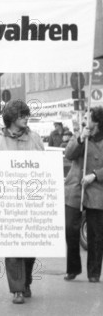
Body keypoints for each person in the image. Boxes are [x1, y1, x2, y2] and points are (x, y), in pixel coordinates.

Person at [0, 100, 44, 304]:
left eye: (26, 114)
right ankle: (17, 289)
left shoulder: (35, 138)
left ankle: (26, 281)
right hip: (7, 204)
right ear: (12, 118)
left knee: (29, 248)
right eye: (22, 115)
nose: (26, 118)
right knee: (12, 245)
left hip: (30, 203)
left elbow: (45, 164)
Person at [64, 107, 103, 284]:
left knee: (96, 233)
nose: (84, 120)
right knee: (71, 229)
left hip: (96, 191)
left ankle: (94, 272)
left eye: (88, 118)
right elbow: (69, 154)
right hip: (75, 189)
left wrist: (95, 175)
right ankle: (73, 268)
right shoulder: (79, 135)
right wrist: (81, 139)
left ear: (97, 122)